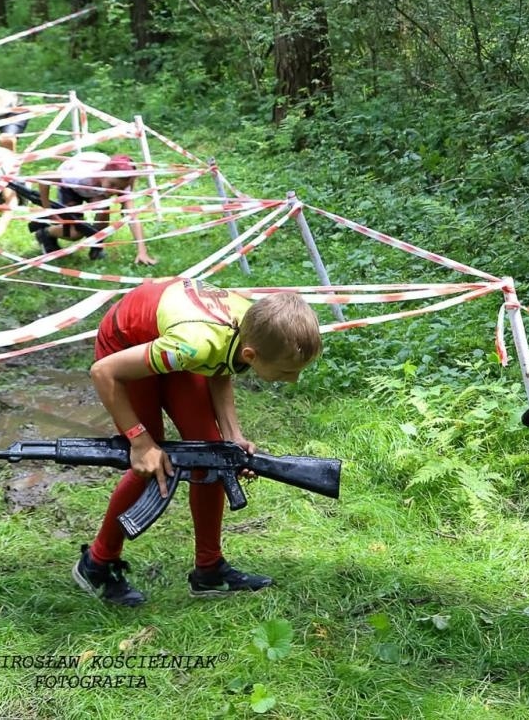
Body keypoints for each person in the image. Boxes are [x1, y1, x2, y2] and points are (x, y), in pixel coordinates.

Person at [73, 278, 322, 606]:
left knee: (212, 454)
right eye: (286, 372)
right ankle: (96, 563)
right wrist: (140, 440)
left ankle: (209, 570)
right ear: (252, 353)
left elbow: (222, 360)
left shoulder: (252, 322)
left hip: (175, 342)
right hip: (126, 345)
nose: (293, 380)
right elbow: (103, 372)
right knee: (151, 463)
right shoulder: (195, 344)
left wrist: (233, 437)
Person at [34, 151, 157, 265]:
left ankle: (97, 246)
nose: (113, 190)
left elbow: (132, 216)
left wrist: (142, 251)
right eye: (112, 185)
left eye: (119, 188)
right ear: (103, 173)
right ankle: (45, 233)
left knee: (103, 211)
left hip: (96, 190)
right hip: (72, 188)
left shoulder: (120, 185)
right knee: (75, 234)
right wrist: (47, 209)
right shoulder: (79, 176)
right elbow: (44, 177)